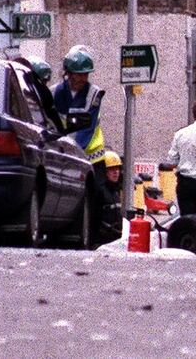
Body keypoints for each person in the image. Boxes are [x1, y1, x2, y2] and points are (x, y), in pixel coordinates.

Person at [51, 45, 107, 181]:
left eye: (86, 74)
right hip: (63, 157)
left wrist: (73, 152)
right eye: (79, 74)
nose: (83, 78)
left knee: (94, 197)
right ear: (69, 73)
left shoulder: (94, 94)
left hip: (91, 157)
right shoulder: (53, 93)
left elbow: (87, 128)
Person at [95, 150, 123, 243]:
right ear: (104, 172)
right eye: (112, 169)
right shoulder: (100, 192)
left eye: (117, 168)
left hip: (115, 240)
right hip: (102, 241)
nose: (116, 172)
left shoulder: (116, 193)